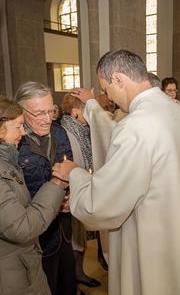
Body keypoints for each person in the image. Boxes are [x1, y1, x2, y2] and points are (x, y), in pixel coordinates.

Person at [52, 49, 180, 295]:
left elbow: (101, 203)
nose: (108, 97)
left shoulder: (136, 125)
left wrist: (75, 174)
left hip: (153, 239)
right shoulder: (178, 111)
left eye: (106, 88)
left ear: (119, 79)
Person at [0, 96, 67, 295]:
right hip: (12, 274)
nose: (23, 132)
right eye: (18, 126)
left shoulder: (7, 160)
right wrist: (57, 183)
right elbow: (21, 228)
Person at [15, 82, 77, 295]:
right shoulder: (14, 143)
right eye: (39, 113)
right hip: (35, 238)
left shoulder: (59, 133)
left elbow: (70, 169)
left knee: (67, 283)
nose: (47, 118)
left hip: (63, 229)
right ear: (21, 112)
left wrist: (70, 196)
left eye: (50, 110)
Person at [60, 93, 105, 288]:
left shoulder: (82, 130)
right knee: (74, 240)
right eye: (86, 110)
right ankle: (74, 278)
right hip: (70, 193)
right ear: (75, 112)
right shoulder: (65, 132)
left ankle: (79, 274)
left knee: (81, 238)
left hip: (83, 187)